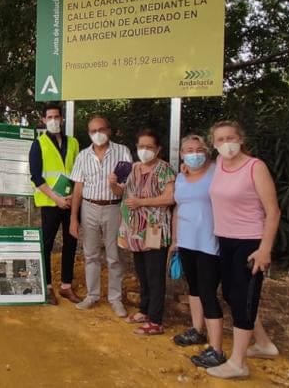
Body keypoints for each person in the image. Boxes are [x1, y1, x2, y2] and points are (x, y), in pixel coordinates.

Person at [206, 121, 281, 379]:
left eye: (230, 137)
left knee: (243, 299)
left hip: (250, 243)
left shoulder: (255, 167)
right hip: (225, 240)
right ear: (214, 144)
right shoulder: (217, 167)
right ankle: (263, 344)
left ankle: (238, 363)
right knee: (232, 294)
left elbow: (273, 211)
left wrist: (265, 249)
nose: (226, 143)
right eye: (220, 139)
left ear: (241, 138)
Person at [170, 135, 226, 368]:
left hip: (209, 243)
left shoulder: (217, 172)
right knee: (193, 287)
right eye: (188, 150)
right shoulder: (181, 177)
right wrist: (175, 240)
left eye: (198, 149)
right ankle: (196, 330)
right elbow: (177, 209)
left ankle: (216, 349)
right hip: (186, 241)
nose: (193, 153)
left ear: (207, 151)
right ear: (181, 154)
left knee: (208, 292)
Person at [68, 116, 132, 317]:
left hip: (113, 208)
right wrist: (73, 218)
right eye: (93, 131)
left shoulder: (122, 152)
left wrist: (114, 185)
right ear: (89, 133)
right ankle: (92, 295)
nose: (98, 134)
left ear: (109, 130)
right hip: (88, 208)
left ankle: (115, 299)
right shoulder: (83, 156)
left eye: (101, 129)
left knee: (113, 256)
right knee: (90, 255)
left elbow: (124, 189)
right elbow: (78, 188)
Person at [117, 128, 175, 336]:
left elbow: (169, 198)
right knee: (141, 272)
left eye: (149, 147)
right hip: (135, 230)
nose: (145, 150)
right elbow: (121, 193)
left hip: (154, 229)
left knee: (155, 274)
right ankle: (144, 310)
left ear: (158, 149)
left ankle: (156, 320)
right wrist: (113, 183)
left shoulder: (165, 170)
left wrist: (142, 202)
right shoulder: (132, 168)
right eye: (141, 146)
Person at [29, 103, 81, 305]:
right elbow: (36, 176)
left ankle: (66, 285)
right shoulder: (38, 144)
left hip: (71, 202)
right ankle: (47, 286)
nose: (53, 120)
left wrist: (71, 198)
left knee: (71, 242)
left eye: (56, 117)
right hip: (50, 202)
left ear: (62, 119)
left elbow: (79, 173)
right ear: (43, 120)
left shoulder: (74, 143)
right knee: (47, 244)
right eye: (49, 117)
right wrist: (56, 198)